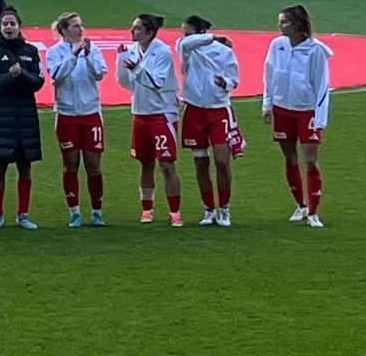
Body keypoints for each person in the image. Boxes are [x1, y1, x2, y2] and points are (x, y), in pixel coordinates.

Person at [263, 3, 332, 228]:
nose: (280, 26)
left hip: (307, 112)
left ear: (297, 25)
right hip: (282, 109)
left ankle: (313, 210)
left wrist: (320, 118)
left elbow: (322, 85)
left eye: (284, 21)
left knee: (310, 161)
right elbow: (269, 74)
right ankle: (300, 204)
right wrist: (267, 105)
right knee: (290, 158)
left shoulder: (315, 50)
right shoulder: (277, 45)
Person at [117, 12, 182, 227]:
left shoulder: (162, 52)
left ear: (149, 33)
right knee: (145, 163)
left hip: (162, 114)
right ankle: (147, 210)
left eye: (136, 28)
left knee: (166, 164)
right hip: (140, 113)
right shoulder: (132, 50)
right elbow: (126, 84)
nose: (131, 31)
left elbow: (156, 82)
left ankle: (175, 211)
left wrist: (135, 68)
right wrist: (121, 63)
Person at [0, 5, 44, 229]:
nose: (9, 27)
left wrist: (23, 74)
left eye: (12, 23)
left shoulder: (31, 51)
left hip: (25, 116)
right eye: (5, 23)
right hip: (0, 117)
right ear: (0, 27)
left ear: (19, 26)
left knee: (25, 167)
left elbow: (38, 81)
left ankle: (23, 215)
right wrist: (11, 77)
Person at [46, 11, 108, 226]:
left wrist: (88, 56)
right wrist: (73, 55)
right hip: (66, 114)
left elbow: (99, 74)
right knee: (70, 164)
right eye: (75, 26)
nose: (80, 29)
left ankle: (97, 210)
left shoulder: (93, 49)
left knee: (94, 165)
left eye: (81, 25)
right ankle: (74, 211)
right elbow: (57, 77)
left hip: (91, 113)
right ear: (64, 30)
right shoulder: (54, 52)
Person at [178, 13, 241, 227]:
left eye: (187, 31)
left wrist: (225, 83)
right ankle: (208, 208)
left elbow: (235, 79)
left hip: (218, 110)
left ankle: (224, 207)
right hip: (194, 110)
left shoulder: (224, 52)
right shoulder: (186, 48)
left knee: (222, 161)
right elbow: (187, 42)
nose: (183, 35)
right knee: (200, 162)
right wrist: (214, 36)